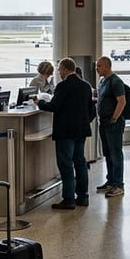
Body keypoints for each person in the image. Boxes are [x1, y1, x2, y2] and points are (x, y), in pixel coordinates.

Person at [35, 58, 94, 209]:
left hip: (65, 131)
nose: (59, 73)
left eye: (60, 70)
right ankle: (83, 196)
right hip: (81, 130)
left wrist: (39, 103)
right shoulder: (86, 86)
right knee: (80, 162)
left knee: (66, 164)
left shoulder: (63, 86)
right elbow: (92, 111)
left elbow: (54, 106)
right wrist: (83, 122)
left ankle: (68, 198)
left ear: (66, 70)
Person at [94, 56, 127, 198]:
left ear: (107, 67)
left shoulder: (116, 81)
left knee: (116, 153)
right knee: (107, 153)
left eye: (99, 66)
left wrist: (114, 117)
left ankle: (118, 185)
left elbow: (122, 101)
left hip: (113, 123)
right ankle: (111, 181)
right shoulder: (103, 82)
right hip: (104, 122)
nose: (97, 69)